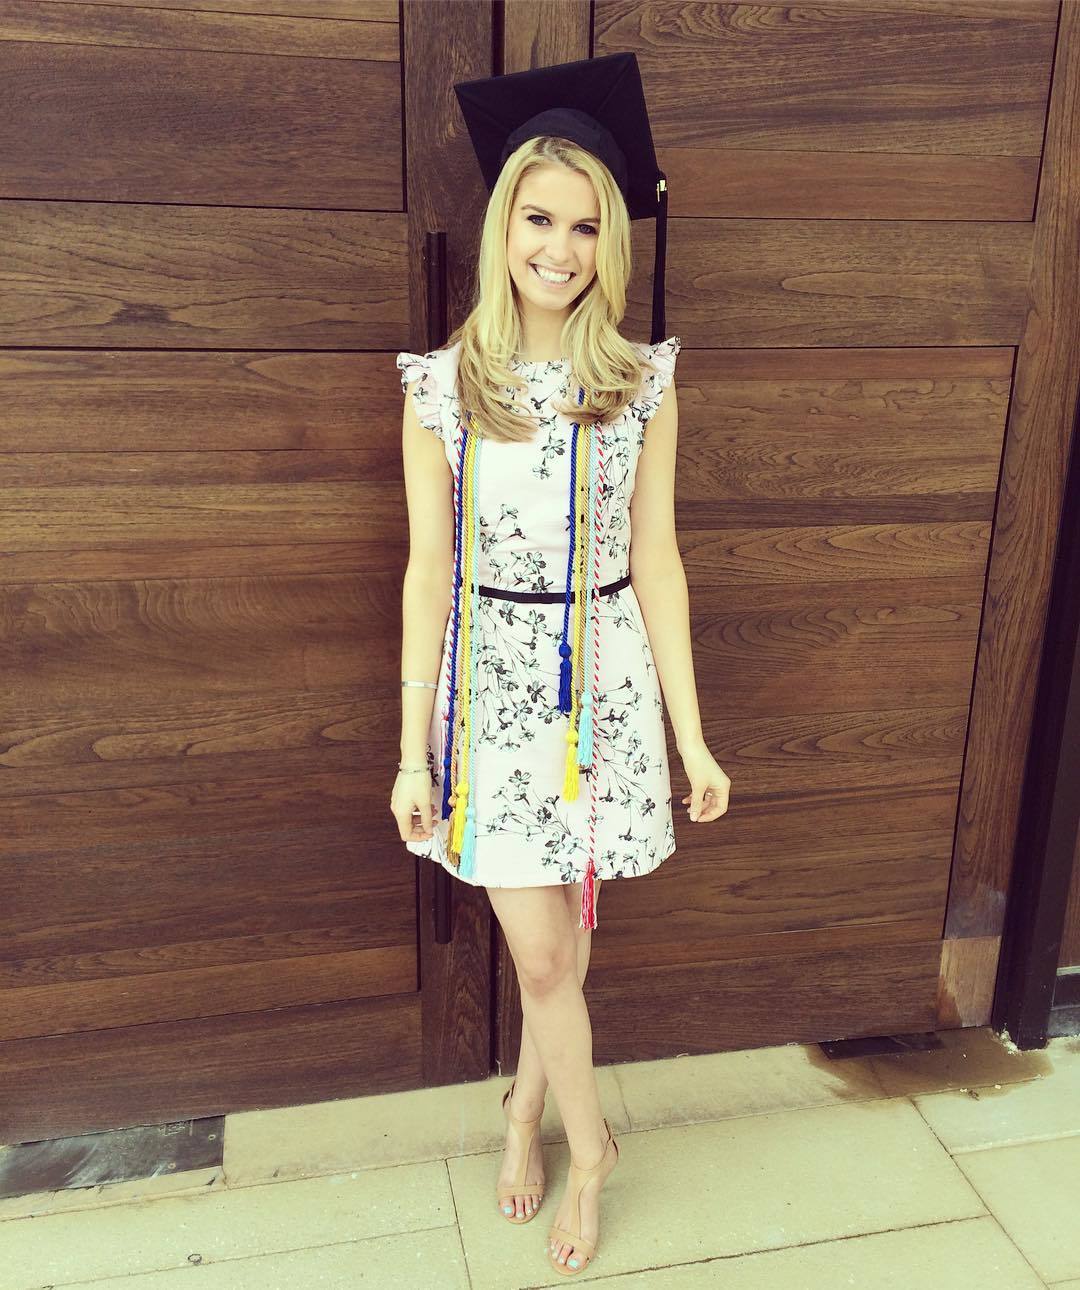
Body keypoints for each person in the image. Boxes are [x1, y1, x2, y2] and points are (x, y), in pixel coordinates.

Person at [391, 54, 730, 1278]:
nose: (560, 248)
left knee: (566, 956)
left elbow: (659, 561)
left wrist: (692, 736)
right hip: (490, 693)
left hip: (602, 691)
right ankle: (594, 1151)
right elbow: (428, 575)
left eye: (586, 226)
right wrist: (411, 752)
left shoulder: (639, 385)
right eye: (539, 219)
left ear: (611, 242)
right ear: (503, 227)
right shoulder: (442, 389)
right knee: (540, 955)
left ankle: (525, 1109)